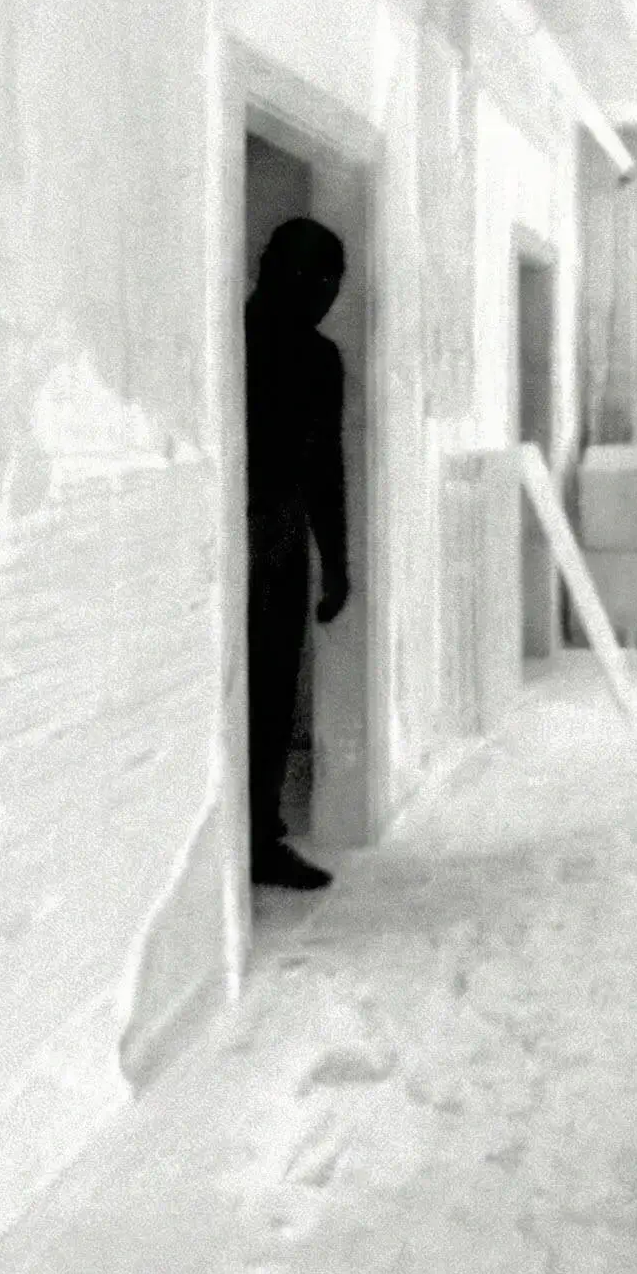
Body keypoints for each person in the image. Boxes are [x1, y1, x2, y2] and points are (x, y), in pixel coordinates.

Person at [245, 216, 349, 892]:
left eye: (330, 284)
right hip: (237, 526)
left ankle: (259, 836)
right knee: (244, 688)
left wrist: (337, 562)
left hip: (279, 531)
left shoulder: (318, 358)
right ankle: (244, 839)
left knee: (275, 687)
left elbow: (324, 469)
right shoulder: (234, 337)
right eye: (310, 278)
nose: (321, 295)